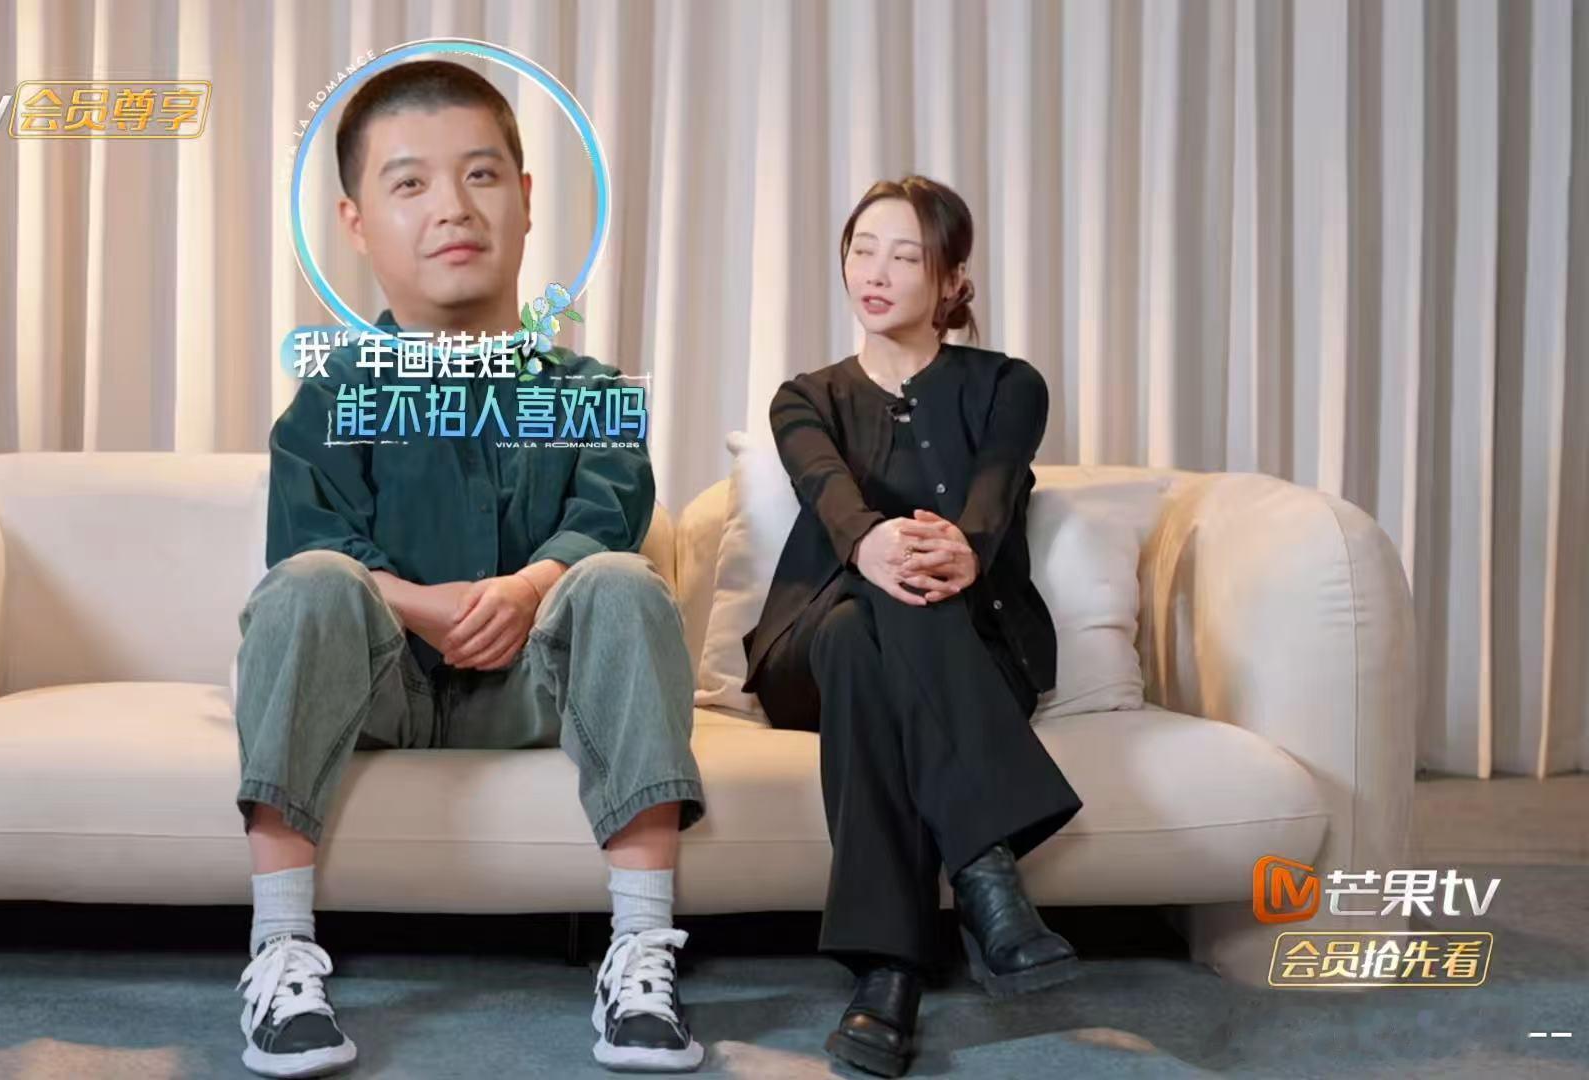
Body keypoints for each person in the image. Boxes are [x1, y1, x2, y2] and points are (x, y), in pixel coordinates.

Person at [234, 60, 707, 1077]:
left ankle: (640, 953)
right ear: (358, 223)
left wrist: (528, 591)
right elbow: (309, 544)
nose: (452, 206)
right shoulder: (330, 400)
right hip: (379, 693)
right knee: (310, 583)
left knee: (624, 582)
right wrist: (419, 604)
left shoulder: (590, 395)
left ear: (527, 200)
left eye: (481, 175)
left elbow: (606, 525)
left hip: (536, 691)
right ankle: (278, 954)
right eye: (410, 183)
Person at [741, 176, 1083, 1077]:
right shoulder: (803, 397)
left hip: (970, 649)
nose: (876, 272)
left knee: (868, 632)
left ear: (951, 279)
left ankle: (887, 976)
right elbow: (830, 494)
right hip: (807, 651)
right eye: (862, 250)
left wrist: (966, 548)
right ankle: (986, 874)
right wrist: (874, 543)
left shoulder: (1009, 385)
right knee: (865, 603)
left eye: (905, 255)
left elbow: (993, 498)